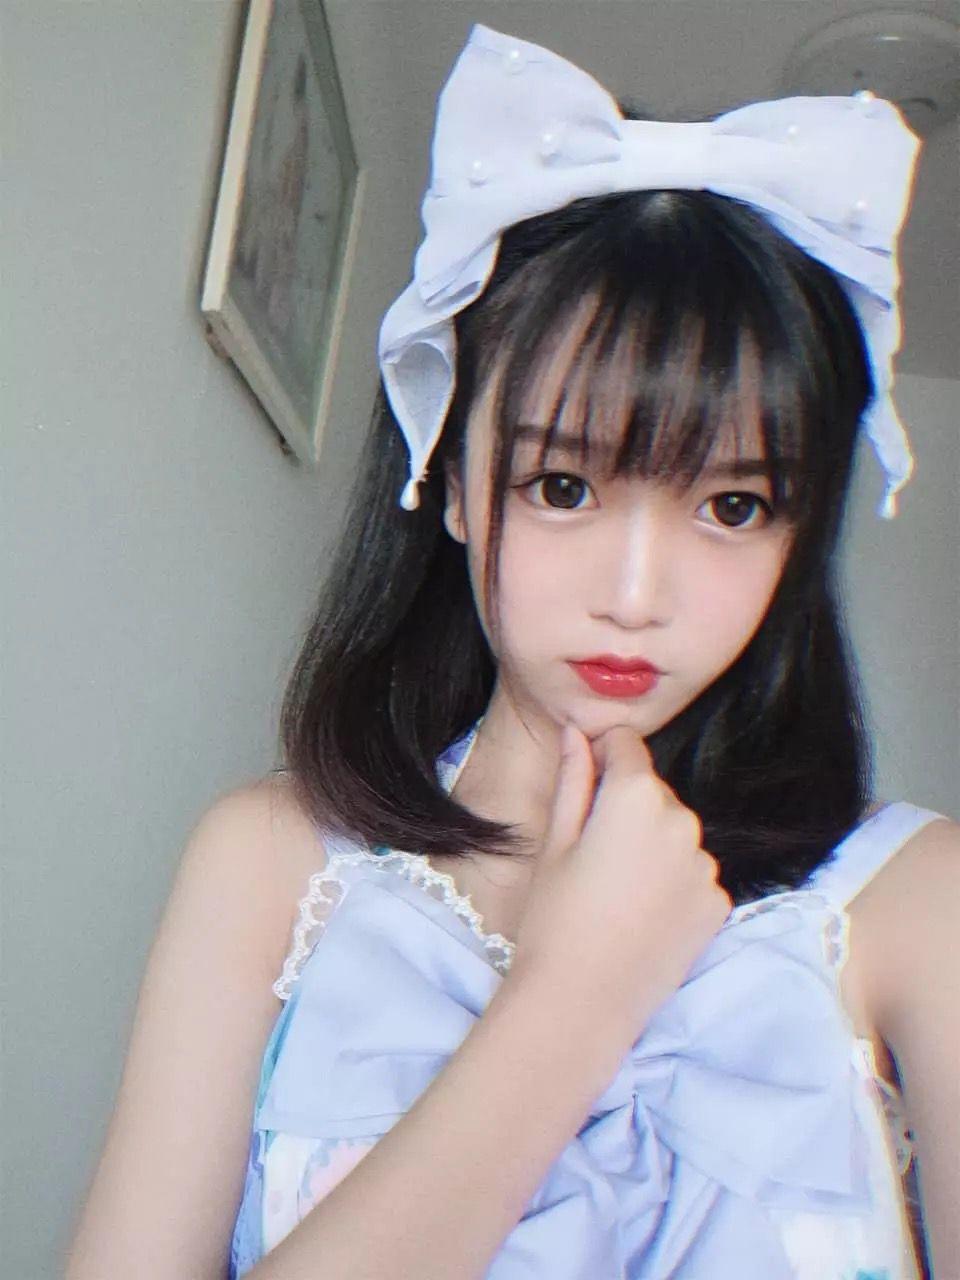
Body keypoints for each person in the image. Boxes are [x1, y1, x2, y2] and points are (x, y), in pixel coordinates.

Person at [66, 23, 958, 1280]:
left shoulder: (919, 902)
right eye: (562, 485)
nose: (636, 597)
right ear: (451, 477)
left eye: (733, 504)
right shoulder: (268, 862)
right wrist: (574, 999)